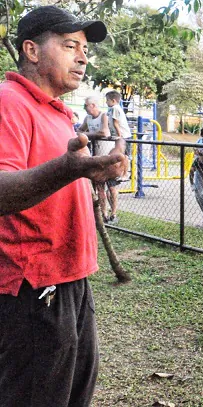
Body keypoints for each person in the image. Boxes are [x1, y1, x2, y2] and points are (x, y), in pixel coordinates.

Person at [0, 6, 124, 407]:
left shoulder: (55, 110)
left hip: (72, 278)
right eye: (70, 45)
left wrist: (89, 173)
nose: (83, 57)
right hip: (32, 286)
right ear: (32, 51)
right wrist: (66, 170)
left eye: (84, 48)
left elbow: (59, 176)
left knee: (72, 393)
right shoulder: (9, 102)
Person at [77, 95, 113, 223]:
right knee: (99, 185)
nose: (85, 108)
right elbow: (79, 130)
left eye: (86, 105)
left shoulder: (104, 116)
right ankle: (103, 212)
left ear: (92, 105)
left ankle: (113, 213)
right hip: (95, 153)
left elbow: (104, 133)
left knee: (111, 185)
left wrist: (86, 135)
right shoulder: (88, 118)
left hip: (106, 152)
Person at [105, 90, 132, 156]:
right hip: (119, 135)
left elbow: (115, 123)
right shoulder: (111, 109)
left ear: (113, 101)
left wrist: (119, 136)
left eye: (107, 100)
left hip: (123, 135)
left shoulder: (115, 108)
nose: (106, 102)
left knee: (124, 155)